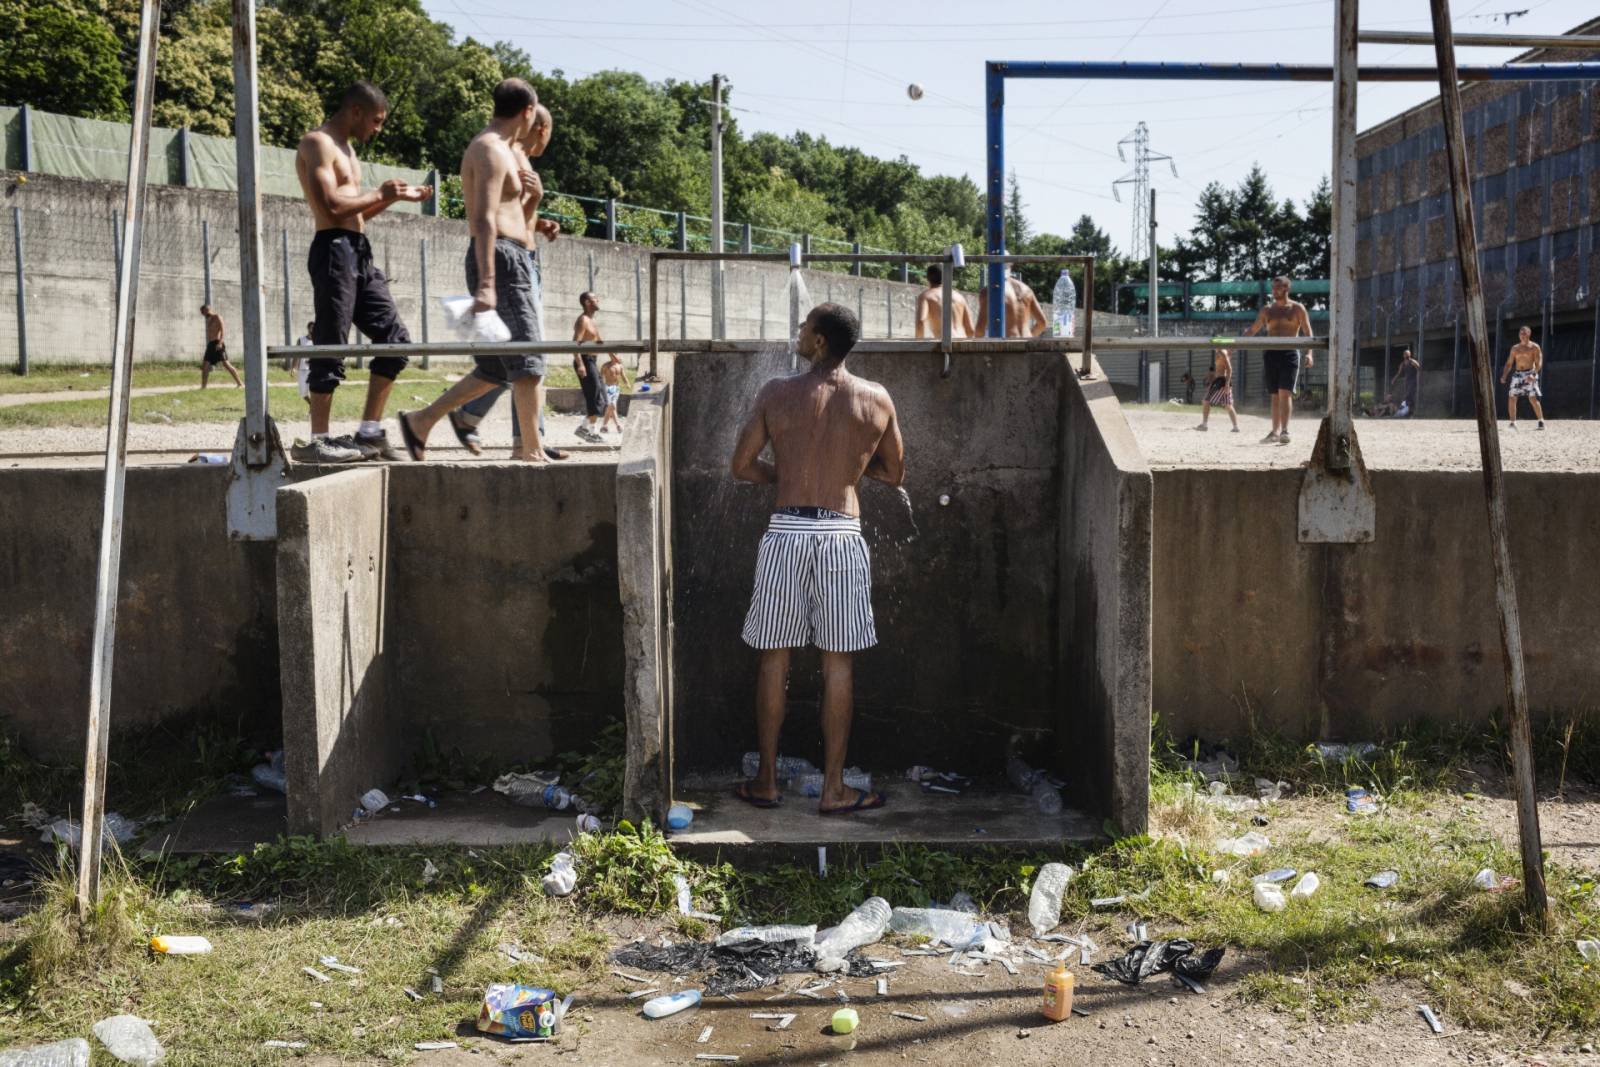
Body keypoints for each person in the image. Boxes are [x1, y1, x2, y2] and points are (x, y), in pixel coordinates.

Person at [730, 303, 902, 816]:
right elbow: (895, 474)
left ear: (821, 340)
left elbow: (740, 467)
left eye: (805, 327)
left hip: (785, 532)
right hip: (841, 534)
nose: (798, 333)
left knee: (773, 657)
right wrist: (849, 470)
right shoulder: (876, 398)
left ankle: (765, 781)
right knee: (838, 664)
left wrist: (784, 478)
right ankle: (834, 790)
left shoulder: (776, 393)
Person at [399, 79, 550, 462]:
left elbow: (507, 213)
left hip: (506, 257)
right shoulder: (489, 150)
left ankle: (422, 421)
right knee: (529, 358)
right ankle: (530, 450)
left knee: (496, 367)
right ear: (528, 111)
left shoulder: (501, 149)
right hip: (500, 261)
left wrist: (534, 204)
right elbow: (483, 219)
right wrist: (486, 285)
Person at [294, 80, 431, 463]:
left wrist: (396, 198)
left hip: (359, 251)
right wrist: (382, 193)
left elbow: (358, 211)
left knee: (396, 341)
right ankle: (317, 440)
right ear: (355, 111)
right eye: (376, 120)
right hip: (333, 250)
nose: (378, 128)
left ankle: (369, 433)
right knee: (332, 341)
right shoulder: (317, 143)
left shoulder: (349, 151)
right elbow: (333, 207)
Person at [446, 104, 568, 460]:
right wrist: (486, 279)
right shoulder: (503, 150)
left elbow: (516, 214)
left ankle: (517, 434)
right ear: (538, 125)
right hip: (511, 262)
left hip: (521, 258)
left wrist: (538, 220)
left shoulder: (511, 153)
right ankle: (523, 440)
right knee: (524, 359)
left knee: (512, 361)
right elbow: (491, 218)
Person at [1241, 275, 1313, 445]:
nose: (1274, 291)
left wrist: (1310, 353)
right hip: (1271, 354)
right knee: (1274, 395)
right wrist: (1233, 346)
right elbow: (1252, 330)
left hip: (1289, 354)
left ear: (1286, 289)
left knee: (1284, 393)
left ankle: (1285, 431)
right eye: (1273, 288)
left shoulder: (1297, 309)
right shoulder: (1267, 310)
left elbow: (1308, 333)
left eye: (1278, 288)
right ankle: (1274, 431)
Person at [572, 291, 607, 442]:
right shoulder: (583, 320)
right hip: (585, 361)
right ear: (587, 302)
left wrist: (615, 358)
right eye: (595, 298)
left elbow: (600, 343)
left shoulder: (592, 321)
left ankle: (586, 427)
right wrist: (580, 364)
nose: (598, 300)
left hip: (592, 361)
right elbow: (575, 343)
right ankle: (589, 431)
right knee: (593, 395)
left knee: (603, 397)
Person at [974, 269, 1048, 337]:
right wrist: (1030, 337)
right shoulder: (1027, 290)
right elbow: (1042, 323)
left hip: (1005, 346)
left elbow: (980, 330)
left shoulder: (990, 291)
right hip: (1026, 344)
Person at [1500, 325, 1547, 430]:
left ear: (1529, 334)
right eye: (1520, 334)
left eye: (1524, 333)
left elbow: (1539, 362)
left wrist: (1534, 374)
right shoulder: (1515, 348)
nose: (1522, 336)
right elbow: (1509, 363)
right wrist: (1504, 375)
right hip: (1518, 374)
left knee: (1533, 398)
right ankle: (1513, 423)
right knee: (1512, 397)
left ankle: (1541, 421)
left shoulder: (1534, 347)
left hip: (1530, 373)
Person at [914, 264, 975, 339]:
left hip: (943, 344)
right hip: (961, 343)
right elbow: (971, 329)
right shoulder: (960, 297)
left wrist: (919, 344)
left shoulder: (926, 296)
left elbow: (921, 321)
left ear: (928, 278)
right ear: (948, 277)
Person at [198, 305, 242, 389]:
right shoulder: (208, 320)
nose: (202, 314)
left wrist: (220, 343)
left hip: (218, 343)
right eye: (202, 313)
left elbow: (223, 330)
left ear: (207, 310)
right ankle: (203, 387)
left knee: (226, 364)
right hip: (211, 344)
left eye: (203, 312)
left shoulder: (217, 317)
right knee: (205, 366)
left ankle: (240, 383)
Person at [1195, 348, 1238, 432]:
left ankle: (1204, 425)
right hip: (1222, 380)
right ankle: (1235, 427)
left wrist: (1226, 384)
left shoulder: (1222, 351)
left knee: (1206, 401)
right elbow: (1221, 368)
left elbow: (1229, 369)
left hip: (1221, 381)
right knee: (1228, 405)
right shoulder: (1221, 352)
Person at [600, 351, 628, 434]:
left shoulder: (620, 366)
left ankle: (604, 426)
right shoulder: (606, 366)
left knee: (611, 406)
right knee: (612, 406)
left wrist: (627, 383)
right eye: (613, 354)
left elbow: (624, 376)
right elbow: (600, 377)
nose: (614, 356)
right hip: (608, 387)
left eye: (616, 354)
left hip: (616, 388)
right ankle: (618, 425)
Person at [1391, 349, 1420, 418]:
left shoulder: (1412, 361)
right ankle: (1408, 413)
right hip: (1407, 382)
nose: (1406, 355)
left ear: (1409, 355)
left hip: (1413, 382)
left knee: (1409, 397)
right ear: (1403, 355)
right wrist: (1394, 379)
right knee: (1408, 397)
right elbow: (1399, 373)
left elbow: (1419, 368)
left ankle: (1410, 413)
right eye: (1405, 354)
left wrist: (1418, 378)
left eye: (1407, 354)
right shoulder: (1402, 364)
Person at [294, 320, 315, 405]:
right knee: (303, 393)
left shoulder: (318, 341)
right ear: (308, 328)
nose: (313, 329)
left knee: (313, 391)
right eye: (312, 328)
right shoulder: (301, 340)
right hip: (302, 370)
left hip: (313, 369)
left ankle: (313, 409)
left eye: (315, 328)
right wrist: (293, 367)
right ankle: (312, 405)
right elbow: (296, 354)